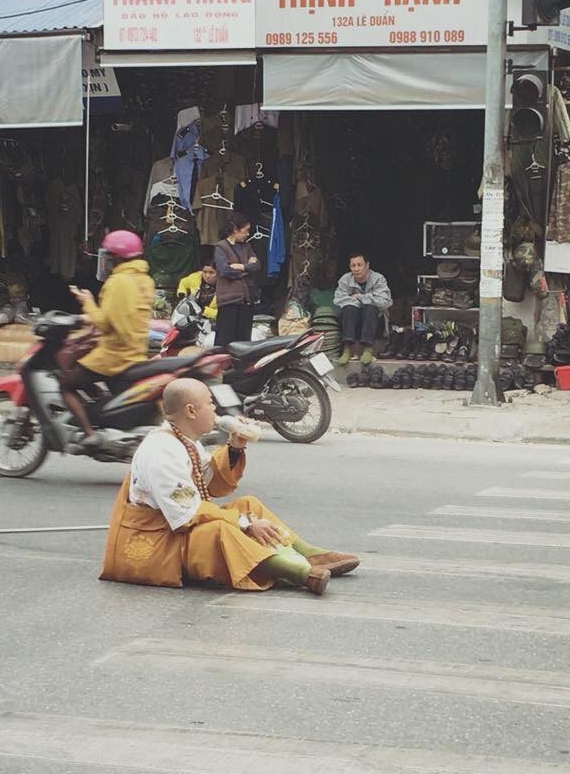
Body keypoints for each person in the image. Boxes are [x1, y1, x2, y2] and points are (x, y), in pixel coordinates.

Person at [100, 378, 360, 593]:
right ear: (191, 411)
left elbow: (209, 486)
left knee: (250, 505)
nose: (215, 411)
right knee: (220, 530)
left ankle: (308, 553)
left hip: (177, 526)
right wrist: (245, 523)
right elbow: (186, 515)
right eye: (210, 404)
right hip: (160, 541)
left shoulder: (186, 440)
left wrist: (235, 447)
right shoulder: (161, 451)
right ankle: (299, 573)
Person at [66, 230, 154, 448]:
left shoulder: (119, 282)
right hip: (136, 351)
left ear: (116, 257)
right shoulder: (144, 279)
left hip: (114, 355)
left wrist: (87, 301)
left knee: (66, 384)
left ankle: (88, 434)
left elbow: (105, 324)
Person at [333, 252, 392, 366]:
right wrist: (363, 301)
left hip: (374, 322)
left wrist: (359, 297)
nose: (356, 269)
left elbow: (384, 302)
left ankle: (368, 349)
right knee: (349, 308)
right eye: (353, 266)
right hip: (353, 321)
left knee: (370, 307)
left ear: (367, 265)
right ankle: (347, 349)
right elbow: (338, 299)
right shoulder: (345, 279)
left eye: (359, 265)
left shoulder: (378, 279)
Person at [213, 212, 260, 346]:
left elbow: (256, 266)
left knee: (243, 341)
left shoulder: (247, 247)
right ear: (235, 229)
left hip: (246, 300)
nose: (248, 234)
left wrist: (241, 267)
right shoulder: (221, 247)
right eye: (246, 231)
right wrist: (247, 269)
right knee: (225, 340)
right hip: (229, 301)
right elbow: (224, 270)